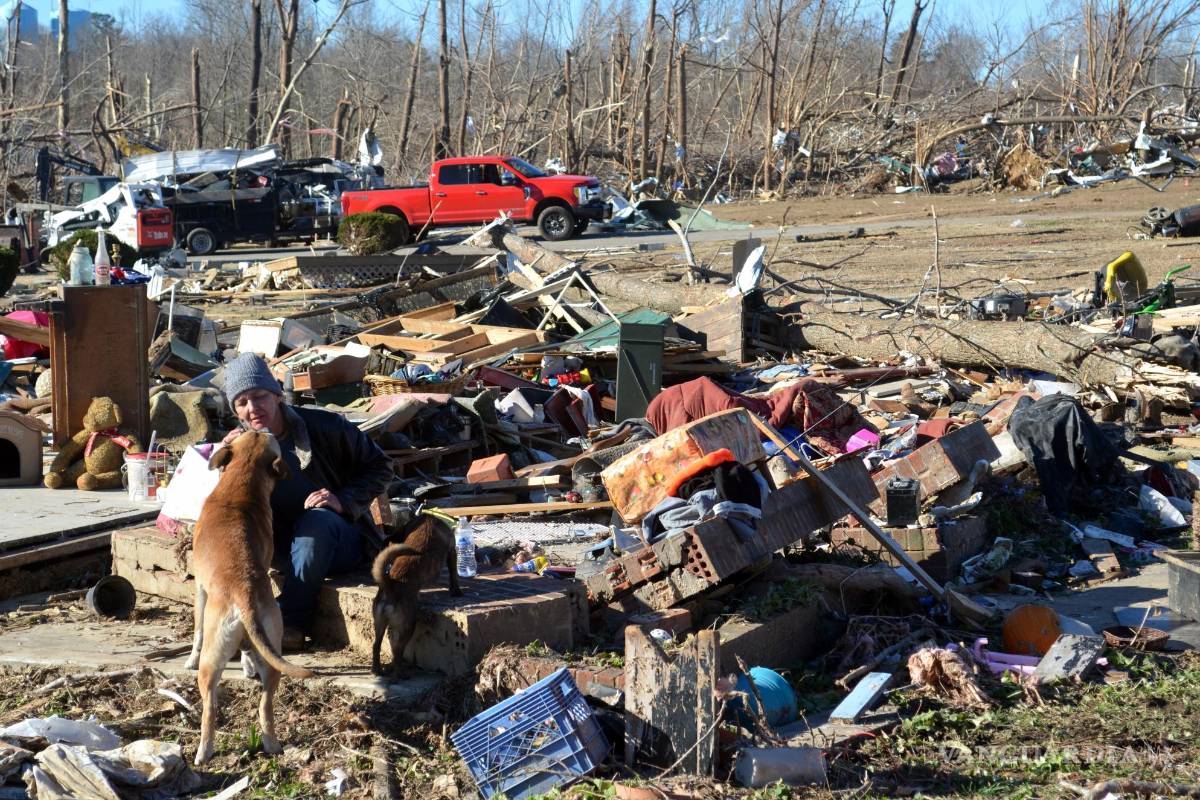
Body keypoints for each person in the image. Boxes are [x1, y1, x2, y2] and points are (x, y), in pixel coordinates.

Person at [220, 353, 393, 649]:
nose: (253, 408)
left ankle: (291, 624)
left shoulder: (326, 427)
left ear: (276, 395)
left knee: (317, 520)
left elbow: (381, 466)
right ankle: (233, 623)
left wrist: (343, 499)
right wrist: (229, 464)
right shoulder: (241, 447)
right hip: (282, 549)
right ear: (235, 412)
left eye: (259, 396)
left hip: (341, 543)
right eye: (242, 402)